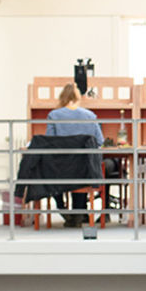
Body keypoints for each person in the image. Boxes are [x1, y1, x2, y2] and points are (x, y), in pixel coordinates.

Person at [46, 82, 106, 227]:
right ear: (78, 97)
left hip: (62, 167)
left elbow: (50, 141)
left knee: (48, 174)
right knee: (82, 173)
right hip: (84, 167)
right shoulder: (90, 115)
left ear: (62, 97)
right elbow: (99, 140)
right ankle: (78, 214)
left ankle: (64, 211)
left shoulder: (54, 115)